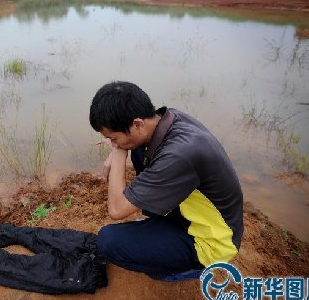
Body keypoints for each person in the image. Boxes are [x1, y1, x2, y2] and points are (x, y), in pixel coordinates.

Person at [89, 81, 243, 282]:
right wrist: (122, 143)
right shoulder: (167, 119)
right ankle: (161, 223)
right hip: (195, 216)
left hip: (212, 242)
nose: (112, 142)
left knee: (109, 241)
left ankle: (186, 268)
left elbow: (116, 210)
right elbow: (137, 143)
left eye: (113, 137)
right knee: (138, 148)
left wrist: (118, 151)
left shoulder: (178, 156)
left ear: (137, 124)